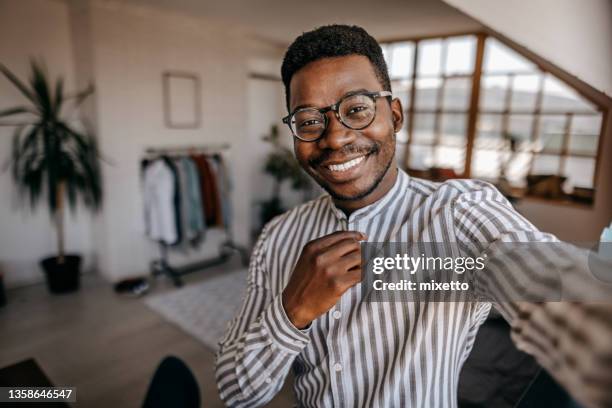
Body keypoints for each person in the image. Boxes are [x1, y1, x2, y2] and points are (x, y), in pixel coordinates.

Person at [216, 25, 612, 407]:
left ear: (396, 116)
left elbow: (540, 272)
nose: (334, 137)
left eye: (357, 109)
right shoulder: (279, 236)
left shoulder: (457, 215)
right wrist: (293, 312)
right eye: (309, 121)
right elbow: (236, 392)